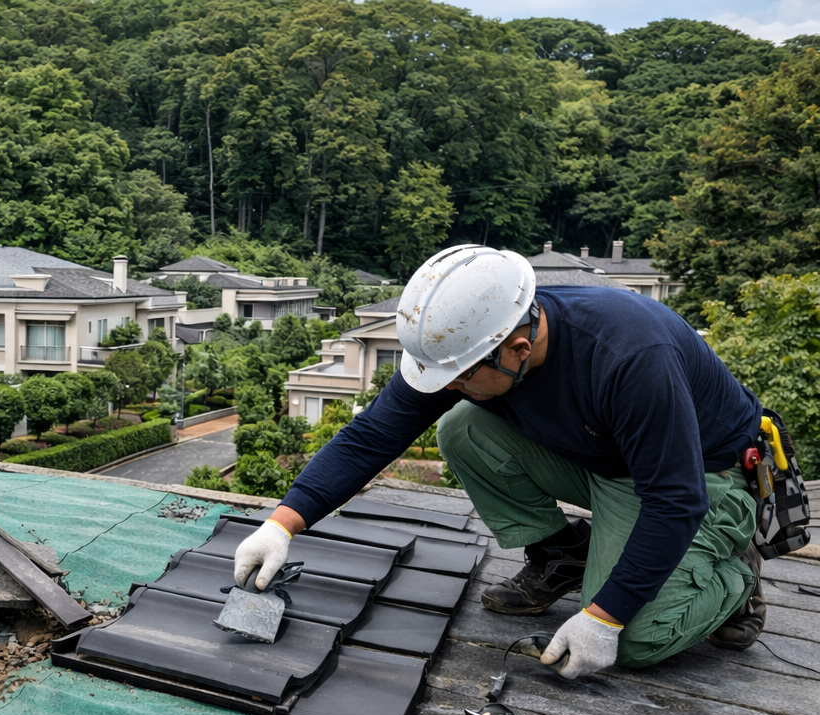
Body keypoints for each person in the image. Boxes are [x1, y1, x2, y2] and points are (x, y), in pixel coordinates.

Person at [234, 244, 768, 679]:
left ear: (516, 346)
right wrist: (283, 524)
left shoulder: (628, 356)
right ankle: (565, 556)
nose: (450, 385)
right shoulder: (468, 341)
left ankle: (733, 576)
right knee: (462, 426)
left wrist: (605, 617)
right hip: (603, 460)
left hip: (695, 478)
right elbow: (371, 435)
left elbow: (674, 500)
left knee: (635, 640)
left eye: (462, 377)